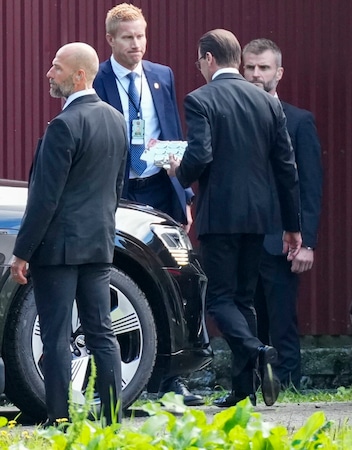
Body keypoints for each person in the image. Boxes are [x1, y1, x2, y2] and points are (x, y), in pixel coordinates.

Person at [167, 29, 302, 408]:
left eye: (199, 61)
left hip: (221, 215)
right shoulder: (267, 102)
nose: (199, 68)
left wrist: (179, 169)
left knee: (220, 301)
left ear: (209, 59)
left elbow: (201, 156)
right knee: (244, 301)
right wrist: (292, 226)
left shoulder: (200, 99)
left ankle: (256, 349)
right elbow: (286, 167)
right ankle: (244, 391)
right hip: (261, 217)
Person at [9, 42, 127, 426]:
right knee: (101, 332)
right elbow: (116, 188)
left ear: (79, 75)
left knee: (56, 335)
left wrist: (21, 252)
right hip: (98, 244)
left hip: (58, 250)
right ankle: (112, 418)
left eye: (56, 68)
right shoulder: (115, 120)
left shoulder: (64, 125)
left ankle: (58, 418)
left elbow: (44, 199)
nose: (49, 73)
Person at [92, 2, 203, 406]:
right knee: (123, 276)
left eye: (140, 36)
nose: (136, 44)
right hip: (119, 191)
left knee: (172, 278)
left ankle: (171, 380)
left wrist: (184, 193)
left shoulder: (161, 75)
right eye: (127, 37)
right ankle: (124, 373)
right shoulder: (98, 78)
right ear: (110, 40)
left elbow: (169, 130)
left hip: (158, 186)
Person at [242, 38, 323, 390]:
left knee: (282, 318)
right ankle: (253, 383)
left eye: (264, 67)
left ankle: (288, 383)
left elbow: (311, 186)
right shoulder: (232, 116)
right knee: (247, 316)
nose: (257, 74)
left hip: (283, 240)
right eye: (250, 67)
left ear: (279, 72)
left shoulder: (299, 121)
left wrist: (308, 241)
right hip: (243, 237)